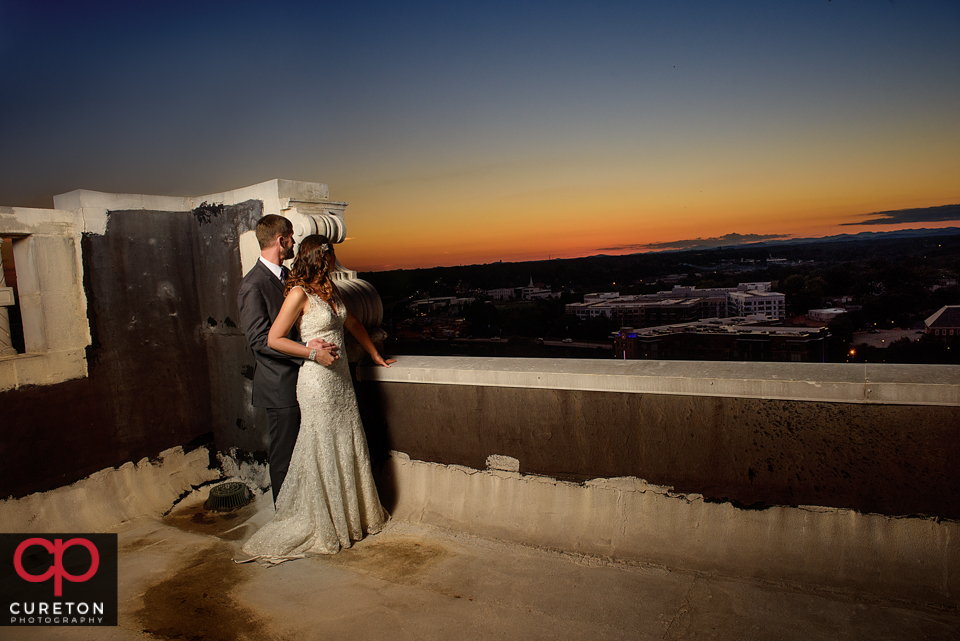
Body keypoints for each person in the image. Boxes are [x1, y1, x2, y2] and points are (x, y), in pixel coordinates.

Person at [241, 234, 394, 561]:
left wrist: (375, 356)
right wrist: (311, 353)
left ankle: (355, 518)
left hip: (341, 382)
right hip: (317, 383)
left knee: (346, 440)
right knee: (323, 445)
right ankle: (329, 524)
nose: (336, 260)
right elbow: (274, 338)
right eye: (332, 255)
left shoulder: (331, 289)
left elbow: (352, 322)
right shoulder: (299, 293)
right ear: (320, 257)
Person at [238, 215, 337, 505]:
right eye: (291, 237)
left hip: (307, 380)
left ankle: (309, 510)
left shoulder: (287, 276)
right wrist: (307, 349)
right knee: (285, 456)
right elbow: (258, 341)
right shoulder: (252, 285)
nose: (293, 242)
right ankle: (286, 515)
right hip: (280, 384)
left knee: (307, 453)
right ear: (282, 241)